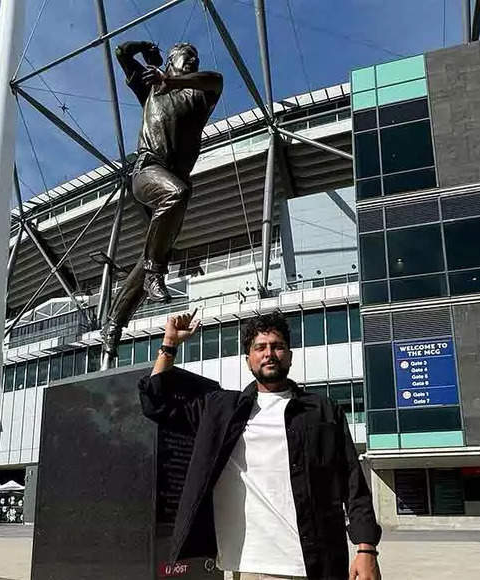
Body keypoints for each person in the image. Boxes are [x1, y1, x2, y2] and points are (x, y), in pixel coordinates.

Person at [138, 310, 382, 580]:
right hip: (247, 564)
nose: (269, 353)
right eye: (260, 347)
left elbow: (353, 482)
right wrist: (169, 344)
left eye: (277, 346)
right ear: (248, 360)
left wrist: (366, 549)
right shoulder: (221, 410)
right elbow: (155, 402)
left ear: (289, 355)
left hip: (313, 563)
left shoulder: (322, 411)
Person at [101, 40, 223, 361]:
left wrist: (173, 79)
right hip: (148, 172)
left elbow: (215, 80)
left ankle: (113, 324)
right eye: (187, 56)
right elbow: (122, 53)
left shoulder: (201, 95)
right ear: (170, 60)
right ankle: (156, 272)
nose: (194, 60)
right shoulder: (151, 90)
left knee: (150, 255)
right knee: (175, 199)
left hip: (176, 184)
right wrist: (148, 48)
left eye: (196, 57)